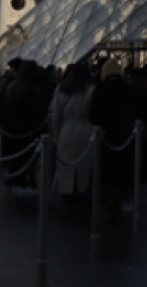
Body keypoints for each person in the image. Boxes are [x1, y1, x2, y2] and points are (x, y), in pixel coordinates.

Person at [89, 57, 137, 217]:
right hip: (124, 136)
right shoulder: (128, 89)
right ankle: (122, 199)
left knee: (106, 169)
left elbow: (93, 116)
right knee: (123, 169)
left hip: (105, 136)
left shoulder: (99, 89)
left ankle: (106, 199)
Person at [51, 63, 94, 219]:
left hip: (66, 131)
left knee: (65, 169)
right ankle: (83, 201)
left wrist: (56, 138)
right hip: (86, 131)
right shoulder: (91, 91)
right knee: (84, 169)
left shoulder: (61, 90)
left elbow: (56, 117)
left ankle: (67, 202)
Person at [0, 60, 46, 188]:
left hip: (11, 128)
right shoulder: (33, 88)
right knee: (28, 156)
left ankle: (15, 177)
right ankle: (28, 179)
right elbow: (37, 111)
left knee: (15, 156)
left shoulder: (12, 85)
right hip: (28, 128)